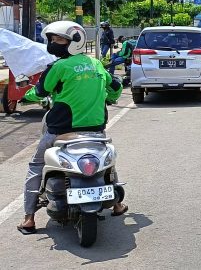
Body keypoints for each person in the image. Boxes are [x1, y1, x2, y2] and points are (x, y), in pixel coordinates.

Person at [17, 21, 126, 235]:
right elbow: (115, 86)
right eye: (52, 40)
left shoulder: (58, 67)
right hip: (95, 131)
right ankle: (118, 205)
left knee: (36, 166)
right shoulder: (96, 65)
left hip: (61, 132)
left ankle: (29, 218)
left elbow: (40, 92)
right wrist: (110, 98)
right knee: (107, 164)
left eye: (58, 40)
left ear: (75, 41)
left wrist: (25, 96)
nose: (53, 44)